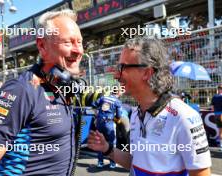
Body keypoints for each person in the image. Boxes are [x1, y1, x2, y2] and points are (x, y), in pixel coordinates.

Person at [0, 9, 86, 176]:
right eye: (68, 42)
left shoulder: (63, 88)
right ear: (42, 46)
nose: (78, 50)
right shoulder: (21, 90)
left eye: (80, 42)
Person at [88, 37, 211, 176]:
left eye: (122, 67)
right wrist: (107, 149)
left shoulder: (183, 116)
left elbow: (201, 173)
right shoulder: (136, 113)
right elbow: (136, 163)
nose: (116, 75)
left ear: (147, 72)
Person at [92, 90, 123, 168]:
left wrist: (97, 115)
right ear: (118, 93)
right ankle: (112, 163)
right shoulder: (117, 101)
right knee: (111, 143)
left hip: (99, 122)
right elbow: (119, 116)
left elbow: (93, 105)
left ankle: (100, 162)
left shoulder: (103, 98)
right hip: (109, 124)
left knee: (99, 142)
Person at [211, 84, 222, 150]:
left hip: (216, 115)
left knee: (220, 131)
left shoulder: (214, 97)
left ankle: (221, 145)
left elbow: (212, 108)